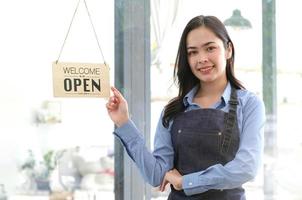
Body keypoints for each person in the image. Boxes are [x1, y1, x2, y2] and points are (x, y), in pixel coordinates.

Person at [106, 15, 265, 200]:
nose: (202, 58)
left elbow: (246, 168)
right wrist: (124, 122)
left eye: (210, 48)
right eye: (192, 52)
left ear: (228, 49)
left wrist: (186, 182)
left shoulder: (250, 105)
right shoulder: (173, 110)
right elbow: (157, 174)